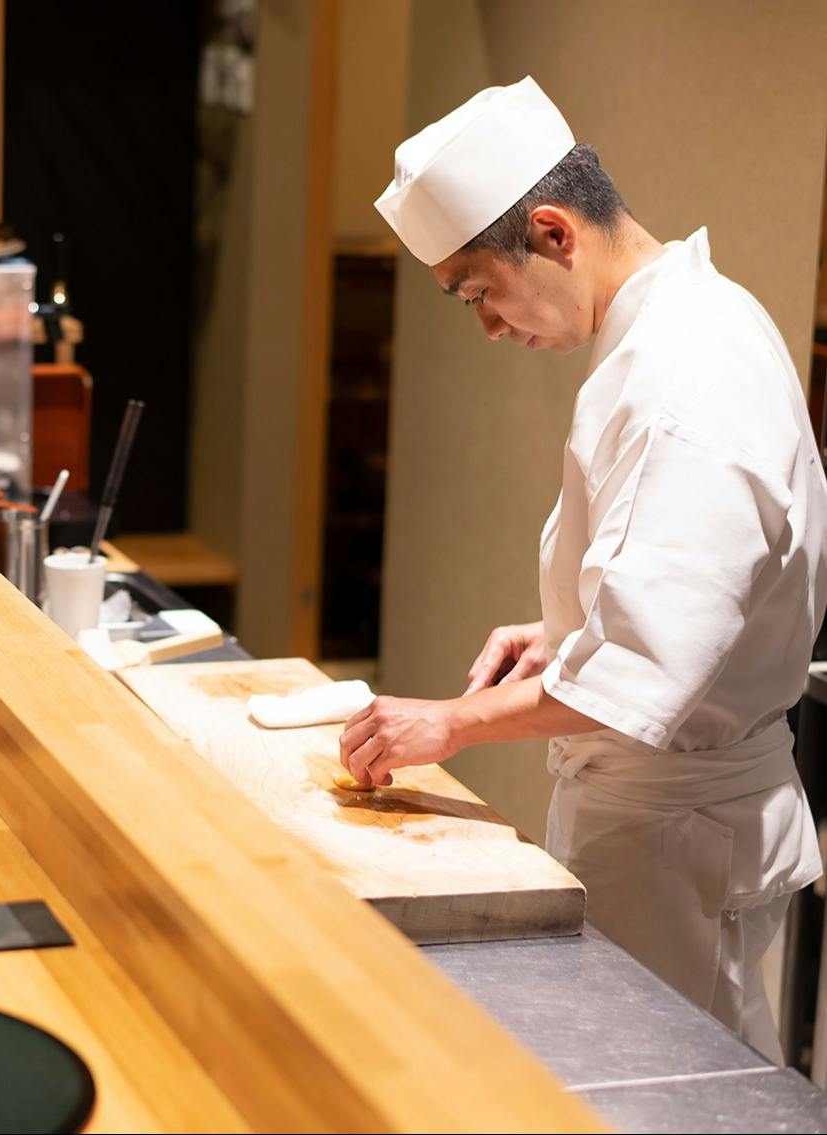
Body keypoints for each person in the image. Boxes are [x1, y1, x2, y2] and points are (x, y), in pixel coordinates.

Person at [342, 76, 827, 1062]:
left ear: (555, 234)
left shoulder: (684, 373)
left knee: (666, 1098)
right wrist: (564, 631)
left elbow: (643, 672)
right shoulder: (679, 321)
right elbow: (680, 596)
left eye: (479, 290)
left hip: (677, 845)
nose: (486, 326)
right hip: (662, 824)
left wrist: (447, 723)